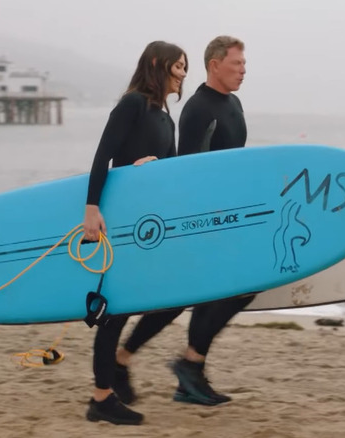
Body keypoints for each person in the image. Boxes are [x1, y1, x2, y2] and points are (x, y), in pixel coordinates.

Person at [112, 35, 250, 407]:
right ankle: (177, 366)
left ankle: (178, 366)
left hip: (226, 217)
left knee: (227, 290)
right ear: (215, 64)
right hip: (202, 220)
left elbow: (232, 165)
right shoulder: (198, 109)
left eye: (244, 63)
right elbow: (188, 169)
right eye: (236, 63)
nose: (243, 70)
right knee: (186, 297)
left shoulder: (233, 104)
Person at [83, 40, 188, 426]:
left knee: (171, 298)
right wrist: (91, 208)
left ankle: (115, 371)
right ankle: (101, 398)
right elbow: (104, 155)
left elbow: (170, 173)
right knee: (116, 311)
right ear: (158, 65)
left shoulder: (165, 117)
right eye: (178, 67)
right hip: (123, 223)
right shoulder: (132, 104)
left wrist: (155, 167)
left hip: (150, 227)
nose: (182, 76)